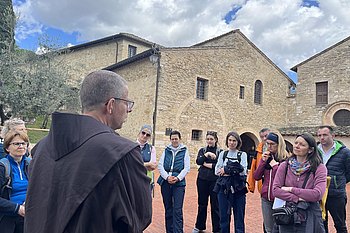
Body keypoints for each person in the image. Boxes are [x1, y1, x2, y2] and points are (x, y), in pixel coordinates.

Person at [24, 70, 152, 233]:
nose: (129, 109)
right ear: (111, 105)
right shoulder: (122, 153)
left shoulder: (41, 148)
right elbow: (139, 217)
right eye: (126, 102)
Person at [273, 133, 327, 233]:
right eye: (296, 143)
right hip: (287, 215)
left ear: (310, 150)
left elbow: (317, 194)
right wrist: (297, 198)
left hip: (309, 215)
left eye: (302, 144)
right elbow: (276, 190)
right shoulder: (284, 166)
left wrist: (291, 189)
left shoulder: (319, 168)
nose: (297, 146)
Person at [253, 131, 289, 233]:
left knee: (280, 228)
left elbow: (284, 179)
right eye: (267, 144)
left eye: (272, 144)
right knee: (268, 229)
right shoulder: (267, 157)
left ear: (279, 145)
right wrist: (263, 162)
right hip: (266, 198)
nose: (269, 147)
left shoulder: (285, 159)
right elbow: (256, 176)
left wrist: (275, 166)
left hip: (280, 198)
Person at [317, 126, 350, 233]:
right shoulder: (315, 152)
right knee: (321, 224)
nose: (322, 138)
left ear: (333, 136)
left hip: (337, 194)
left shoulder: (345, 152)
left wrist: (337, 182)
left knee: (340, 225)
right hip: (319, 194)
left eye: (325, 135)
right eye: (319, 135)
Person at [157, 130, 190, 233]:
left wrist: (178, 178)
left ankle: (178, 231)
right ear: (170, 139)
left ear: (179, 139)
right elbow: (160, 165)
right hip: (166, 181)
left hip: (178, 183)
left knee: (177, 210)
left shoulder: (184, 150)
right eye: (172, 139)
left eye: (176, 139)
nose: (174, 141)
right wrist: (167, 177)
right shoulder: (166, 150)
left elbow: (187, 167)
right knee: (168, 208)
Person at [215, 131, 248, 233]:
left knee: (239, 218)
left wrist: (226, 170)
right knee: (224, 218)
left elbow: (243, 171)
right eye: (230, 140)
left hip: (238, 189)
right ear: (227, 141)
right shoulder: (223, 154)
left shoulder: (242, 154)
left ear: (238, 142)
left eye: (234, 140)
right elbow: (217, 171)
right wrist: (233, 169)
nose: (232, 142)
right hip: (224, 188)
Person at [0, 130, 31, 233]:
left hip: (30, 213)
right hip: (9, 217)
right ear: (8, 148)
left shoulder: (31, 164)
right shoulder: (3, 167)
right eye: (16, 143)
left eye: (23, 143)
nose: (21, 146)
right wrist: (17, 208)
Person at [192, 131, 221, 233]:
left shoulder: (220, 152)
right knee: (202, 204)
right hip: (202, 180)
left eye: (211, 139)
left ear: (215, 140)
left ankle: (217, 230)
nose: (209, 141)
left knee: (215, 206)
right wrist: (207, 155)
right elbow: (198, 161)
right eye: (208, 139)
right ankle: (199, 226)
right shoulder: (203, 150)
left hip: (215, 181)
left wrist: (206, 164)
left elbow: (218, 166)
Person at [247, 128, 270, 193]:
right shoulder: (258, 151)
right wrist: (251, 185)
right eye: (262, 137)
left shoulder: (277, 150)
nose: (264, 138)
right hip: (262, 183)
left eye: (266, 136)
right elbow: (253, 168)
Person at [137, 124, 157, 191]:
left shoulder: (151, 148)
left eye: (148, 135)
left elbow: (152, 166)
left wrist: (138, 164)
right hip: (133, 179)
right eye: (143, 133)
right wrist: (147, 164)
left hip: (147, 181)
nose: (145, 135)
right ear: (139, 133)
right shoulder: (131, 146)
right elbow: (130, 164)